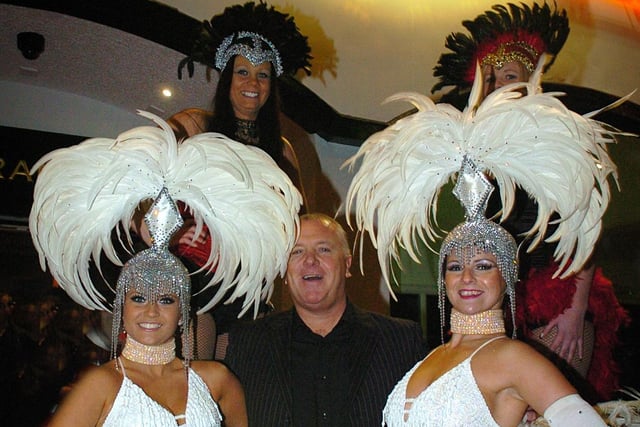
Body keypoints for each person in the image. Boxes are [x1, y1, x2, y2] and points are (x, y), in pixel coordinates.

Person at [344, 63, 622, 424]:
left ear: (507, 276)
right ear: (442, 280)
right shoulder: (429, 360)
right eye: (455, 267)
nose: (467, 278)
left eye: (484, 266)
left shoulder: (513, 358)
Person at [28, 112, 302, 426]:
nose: (152, 311)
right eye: (139, 298)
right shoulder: (101, 386)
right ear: (121, 305)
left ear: (184, 309)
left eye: (167, 300)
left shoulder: (217, 381)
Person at [431, 1, 629, 402]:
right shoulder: (472, 151)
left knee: (553, 405)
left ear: (529, 81)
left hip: (557, 298)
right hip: (498, 300)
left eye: (509, 76)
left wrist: (574, 313)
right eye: (490, 79)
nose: (499, 85)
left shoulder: (559, 139)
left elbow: (586, 230)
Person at [136, 1, 313, 351]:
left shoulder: (284, 152)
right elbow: (143, 174)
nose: (253, 83)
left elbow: (300, 228)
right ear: (226, 77)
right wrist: (149, 221)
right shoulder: (193, 125)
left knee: (235, 390)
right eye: (242, 72)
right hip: (195, 277)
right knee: (194, 378)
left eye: (263, 75)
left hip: (250, 287)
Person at [223, 213, 428, 427]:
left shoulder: (400, 341)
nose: (310, 260)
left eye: (324, 249)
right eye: (297, 252)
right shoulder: (248, 343)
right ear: (284, 271)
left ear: (347, 265)